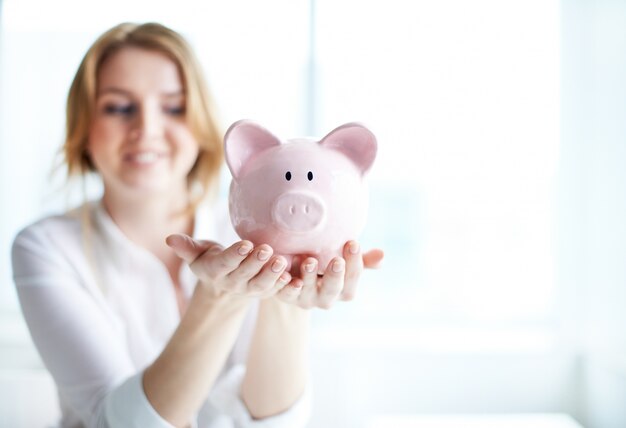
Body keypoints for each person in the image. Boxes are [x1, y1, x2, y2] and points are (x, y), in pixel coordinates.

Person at [11, 22, 384, 428]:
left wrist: (288, 297)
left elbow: (274, 421)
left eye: (173, 107)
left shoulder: (251, 235)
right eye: (119, 107)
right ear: (82, 128)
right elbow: (117, 422)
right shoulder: (46, 248)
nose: (147, 129)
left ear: (201, 126)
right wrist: (217, 297)